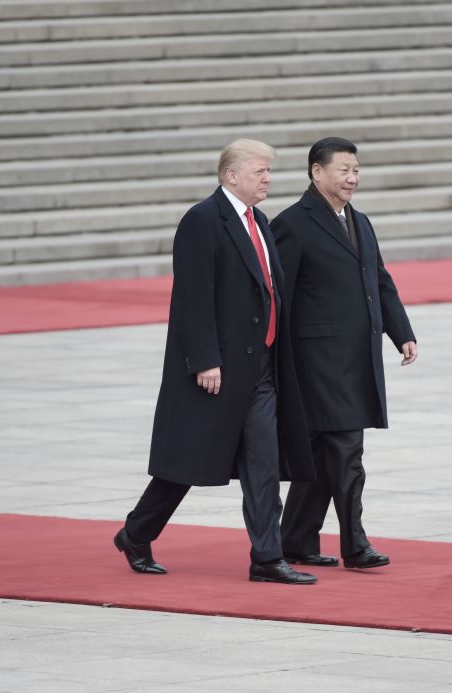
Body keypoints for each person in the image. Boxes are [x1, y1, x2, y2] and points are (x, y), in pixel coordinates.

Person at [113, 138, 318, 585]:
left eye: (269, 171)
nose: (268, 179)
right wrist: (205, 360)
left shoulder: (259, 221)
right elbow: (191, 298)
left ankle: (267, 557)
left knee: (263, 465)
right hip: (217, 371)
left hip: (260, 369)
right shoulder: (202, 220)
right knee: (188, 463)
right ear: (231, 175)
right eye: (260, 171)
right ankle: (136, 532)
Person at [271, 136, 417, 570]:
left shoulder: (361, 221)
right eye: (344, 170)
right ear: (317, 172)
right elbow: (279, 296)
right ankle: (355, 544)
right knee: (347, 451)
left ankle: (295, 539)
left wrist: (400, 331)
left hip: (356, 359)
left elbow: (380, 281)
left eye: (356, 171)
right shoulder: (292, 224)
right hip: (316, 363)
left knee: (321, 452)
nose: (352, 178)